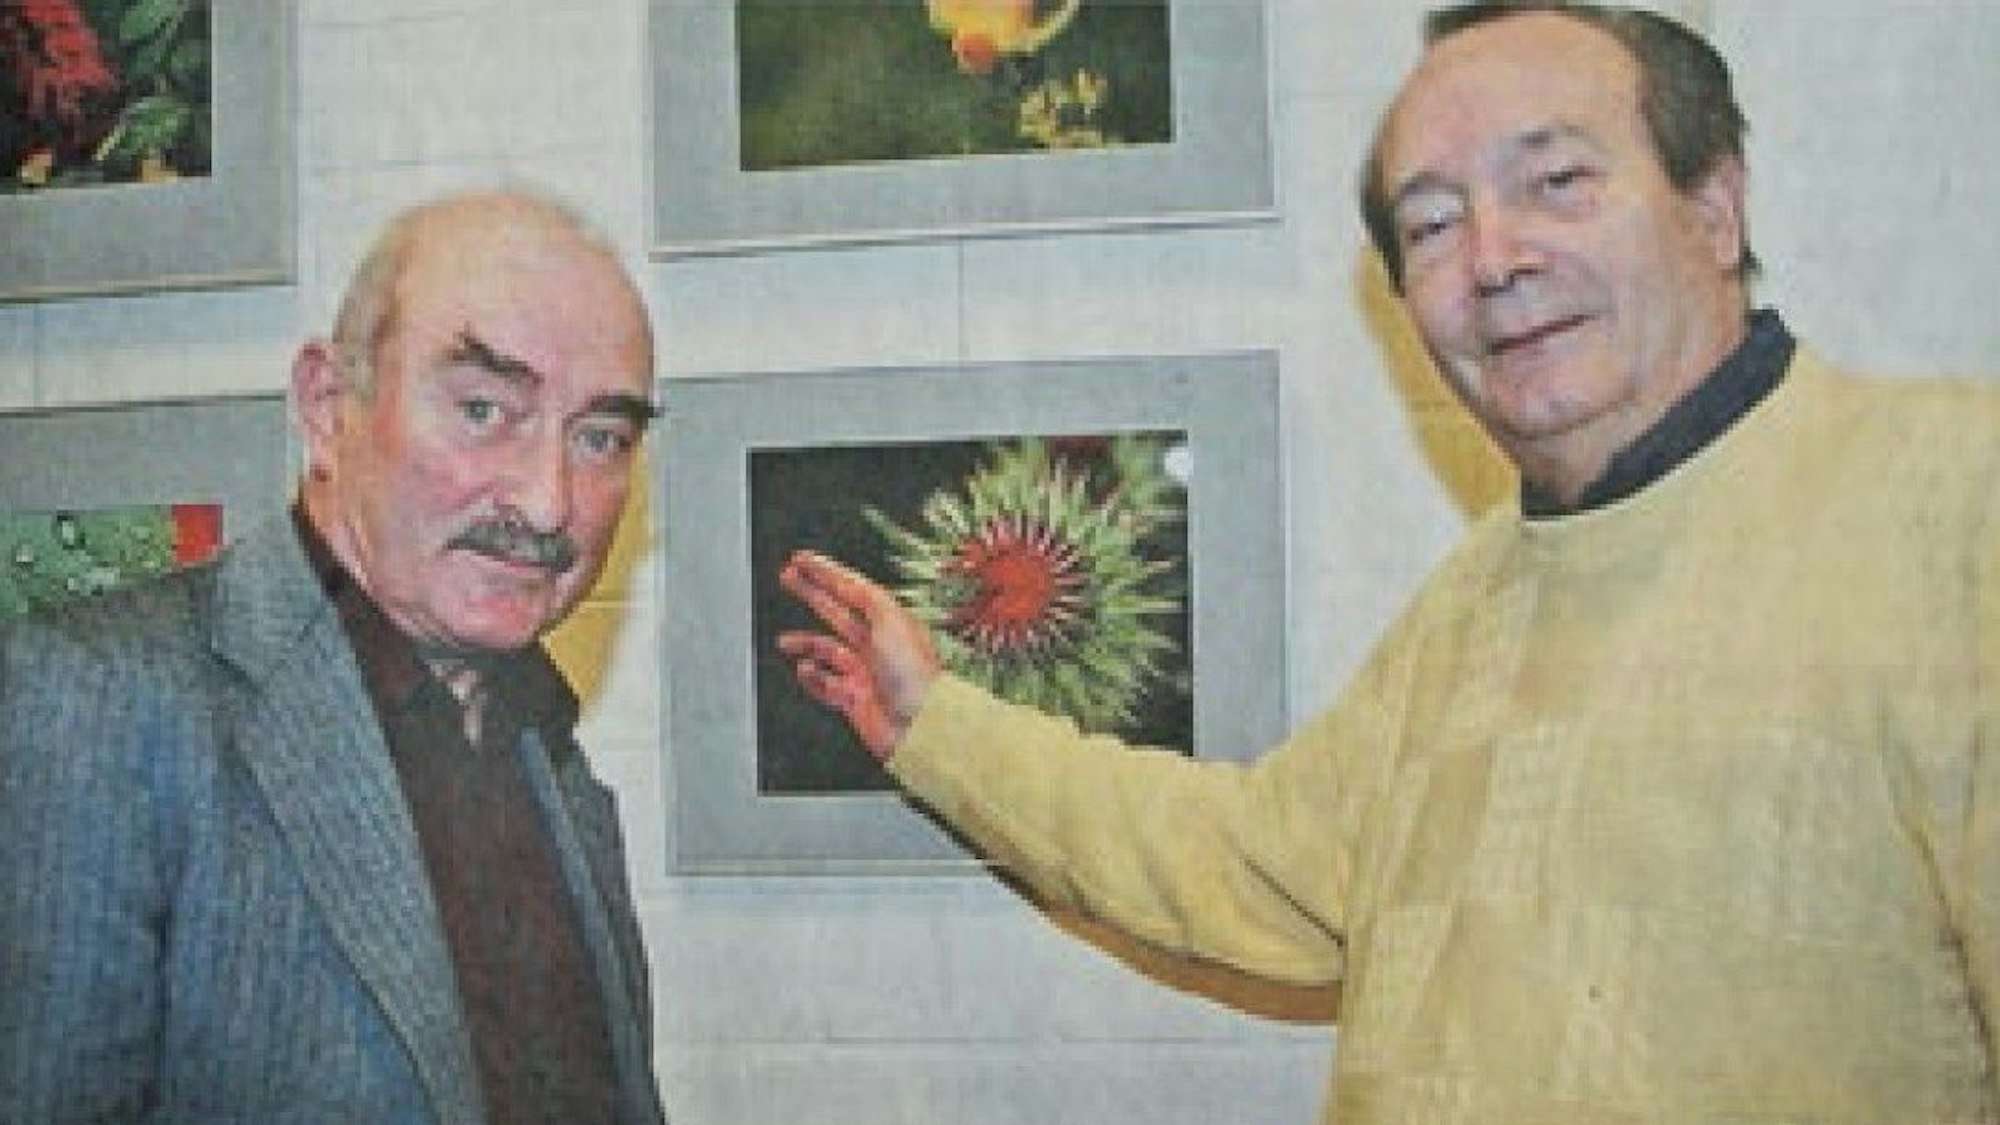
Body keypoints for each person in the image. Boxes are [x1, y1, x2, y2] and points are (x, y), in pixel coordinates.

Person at [777, 3, 2000, 1121]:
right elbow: (1252, 863)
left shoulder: (1957, 508)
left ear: (1714, 207)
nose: (1492, 257)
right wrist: (933, 723)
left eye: (1557, 182)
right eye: (1430, 222)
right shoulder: (1478, 600)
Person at [0, 190, 668, 1125]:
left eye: (600, 437)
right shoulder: (98, 698)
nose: (551, 501)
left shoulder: (544, 744)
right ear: (326, 408)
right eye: (484, 409)